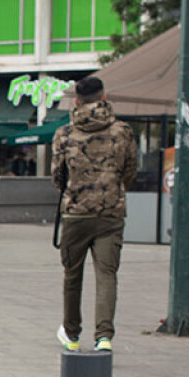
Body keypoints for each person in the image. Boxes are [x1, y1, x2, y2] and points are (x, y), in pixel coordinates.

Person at [51, 75, 136, 353]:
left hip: (75, 213)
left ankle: (72, 334)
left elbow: (57, 177)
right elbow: (130, 171)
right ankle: (104, 337)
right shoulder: (123, 131)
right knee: (106, 275)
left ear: (76, 101)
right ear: (104, 97)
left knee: (72, 275)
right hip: (110, 213)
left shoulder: (64, 134)